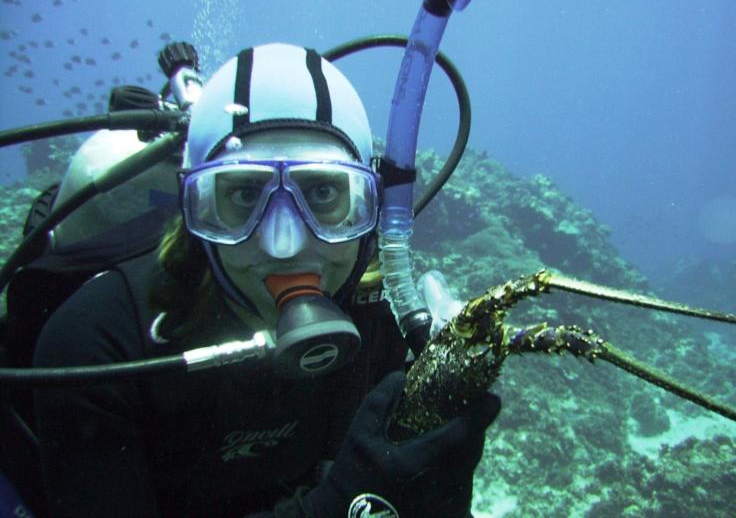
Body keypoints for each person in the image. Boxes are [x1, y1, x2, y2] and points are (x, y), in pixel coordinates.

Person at [32, 43, 500, 517]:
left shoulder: (377, 320)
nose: (284, 244)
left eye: (322, 192)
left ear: (370, 206)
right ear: (196, 208)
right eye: (243, 193)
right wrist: (336, 508)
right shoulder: (96, 344)